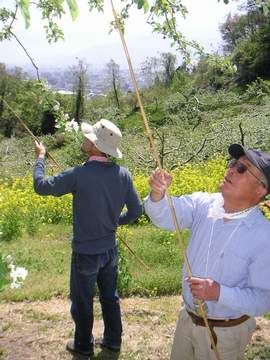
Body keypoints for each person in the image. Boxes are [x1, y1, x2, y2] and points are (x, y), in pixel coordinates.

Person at [144, 143, 270, 360]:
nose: (231, 169)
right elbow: (166, 215)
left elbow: (264, 299)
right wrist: (157, 193)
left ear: (261, 189)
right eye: (233, 163)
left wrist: (218, 292)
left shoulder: (263, 236)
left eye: (242, 169)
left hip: (226, 335)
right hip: (187, 319)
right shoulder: (205, 204)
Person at [33, 119, 142, 358]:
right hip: (110, 250)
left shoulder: (79, 174)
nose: (85, 139)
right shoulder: (123, 174)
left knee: (83, 301)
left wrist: (41, 157)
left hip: (85, 253)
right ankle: (113, 341)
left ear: (94, 146)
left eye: (89, 137)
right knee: (110, 297)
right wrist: (116, 222)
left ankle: (83, 345)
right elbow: (136, 211)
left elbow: (40, 186)